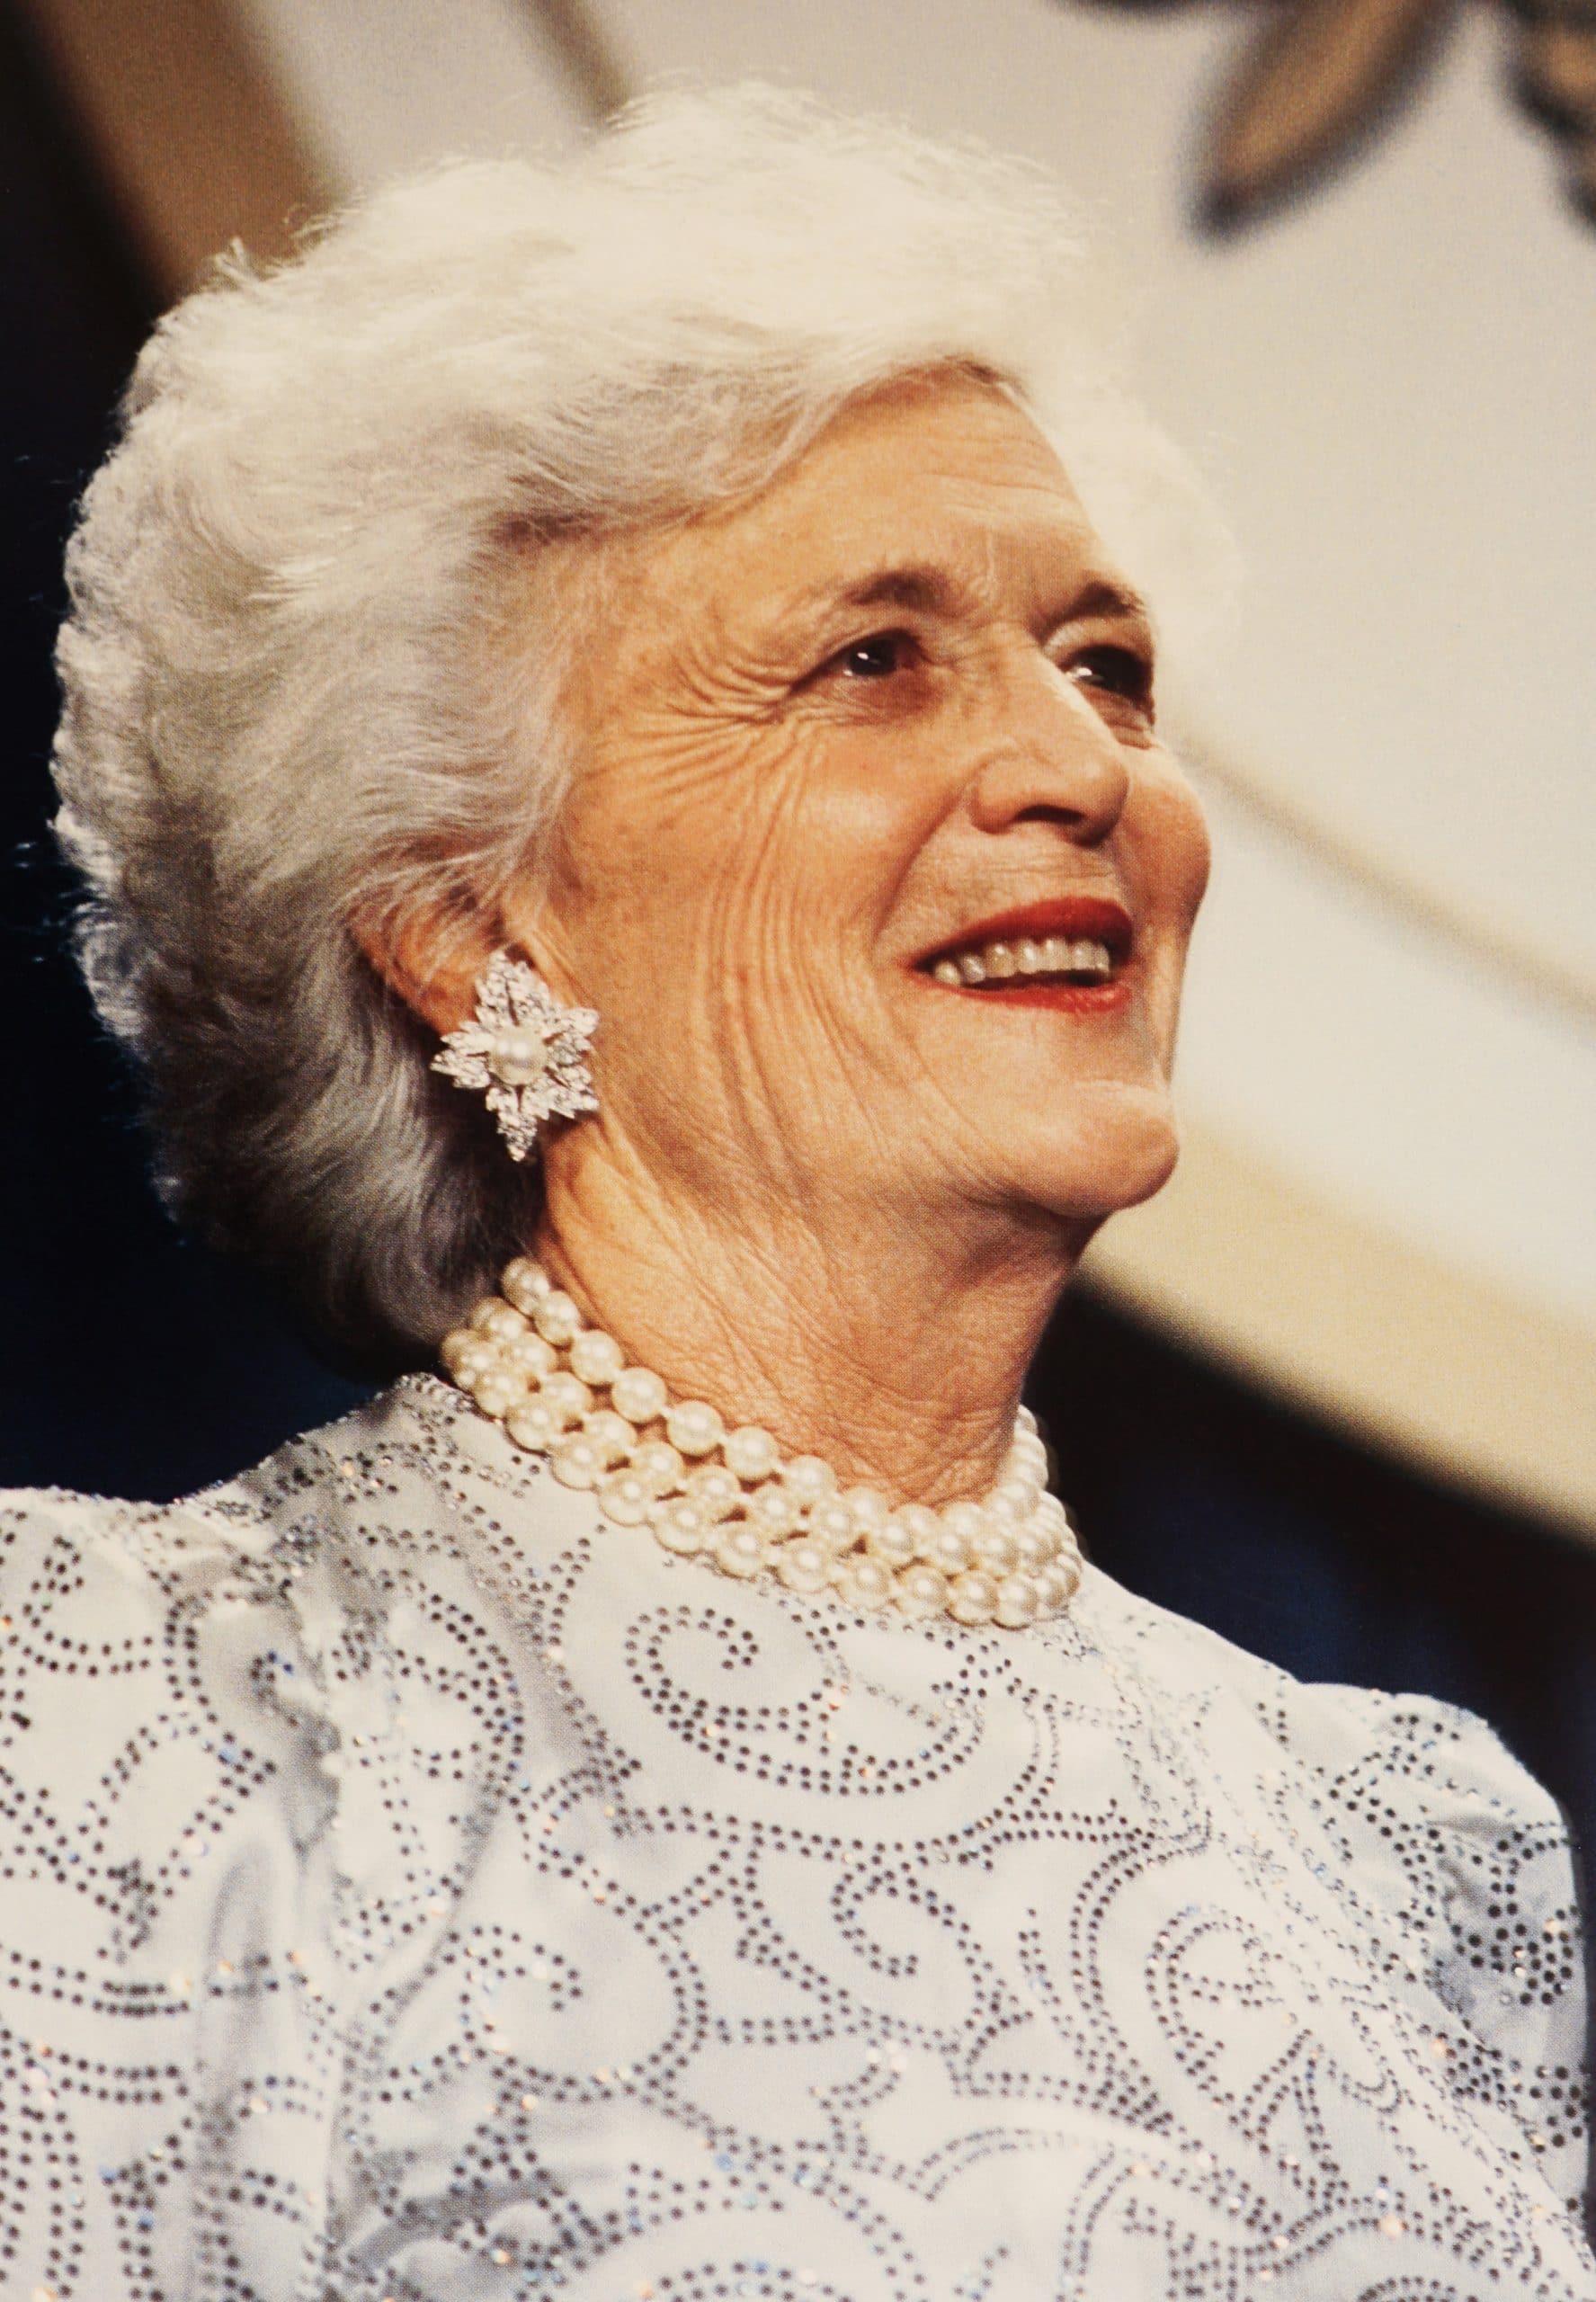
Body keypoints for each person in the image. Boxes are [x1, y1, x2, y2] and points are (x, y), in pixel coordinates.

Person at [4, 85, 1589, 2302]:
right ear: (475, 920)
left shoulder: (1415, 1843)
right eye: (874, 658)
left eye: (1106, 663)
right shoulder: (104, 1718)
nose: (1078, 768)